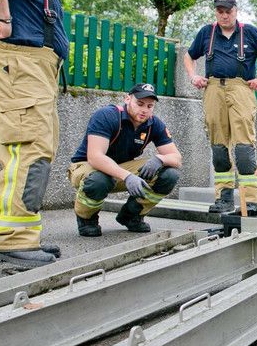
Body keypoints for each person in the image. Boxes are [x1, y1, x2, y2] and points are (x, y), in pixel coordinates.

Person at [0, 0, 110, 269]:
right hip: (20, 63)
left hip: (31, 68)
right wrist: (3, 16)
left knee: (36, 148)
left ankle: (21, 234)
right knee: (28, 148)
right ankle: (12, 241)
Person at [184, 0, 257, 213]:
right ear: (215, 12)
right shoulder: (206, 33)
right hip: (213, 89)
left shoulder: (250, 32)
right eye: (220, 11)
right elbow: (189, 56)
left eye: (228, 11)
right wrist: (193, 76)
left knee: (244, 147)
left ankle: (250, 201)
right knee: (218, 147)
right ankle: (223, 198)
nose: (224, 15)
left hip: (241, 88)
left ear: (236, 10)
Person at [69, 83, 182, 236]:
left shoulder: (154, 124)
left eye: (150, 106)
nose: (144, 110)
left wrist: (159, 159)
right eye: (140, 104)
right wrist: (127, 176)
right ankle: (87, 219)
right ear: (127, 99)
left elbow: (177, 158)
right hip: (87, 167)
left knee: (169, 174)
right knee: (99, 180)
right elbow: (95, 157)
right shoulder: (106, 116)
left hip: (120, 167)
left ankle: (132, 215)